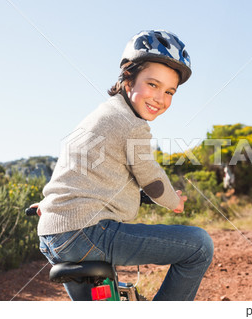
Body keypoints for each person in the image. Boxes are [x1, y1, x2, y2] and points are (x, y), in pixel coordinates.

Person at [33, 30, 214, 301]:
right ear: (127, 77)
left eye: (169, 91)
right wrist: (172, 200)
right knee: (199, 246)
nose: (160, 98)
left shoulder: (101, 115)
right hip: (87, 233)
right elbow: (151, 177)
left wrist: (51, 205)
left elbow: (76, 172)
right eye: (152, 85)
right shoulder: (131, 124)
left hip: (53, 234)